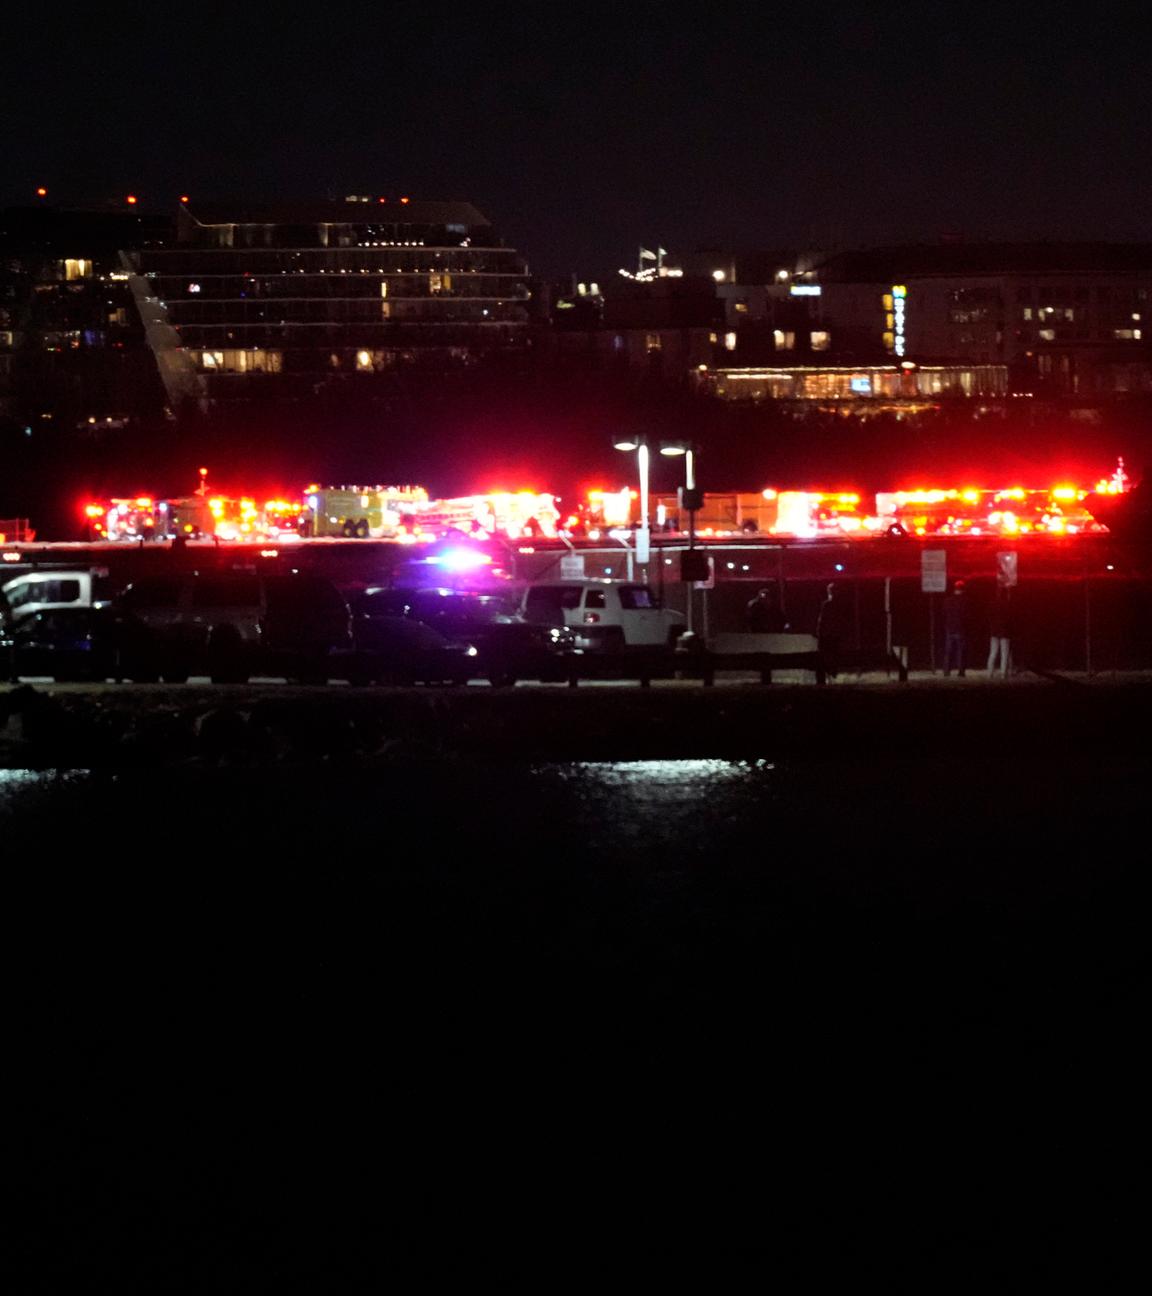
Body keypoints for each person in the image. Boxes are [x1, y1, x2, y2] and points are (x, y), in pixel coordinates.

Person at [816, 582, 850, 678]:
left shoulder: (827, 605)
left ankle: (828, 672)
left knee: (827, 654)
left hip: (828, 634)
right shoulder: (841, 605)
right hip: (835, 633)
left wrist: (819, 631)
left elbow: (822, 620)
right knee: (834, 654)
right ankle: (833, 671)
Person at [943, 579, 969, 676]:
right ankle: (961, 671)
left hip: (949, 628)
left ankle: (946, 671)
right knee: (961, 651)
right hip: (961, 629)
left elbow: (944, 613)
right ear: (963, 589)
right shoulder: (965, 601)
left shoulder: (947, 600)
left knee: (948, 651)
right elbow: (967, 616)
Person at [987, 587, 1014, 678]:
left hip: (994, 631)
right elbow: (1011, 619)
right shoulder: (1008, 605)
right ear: (1006, 594)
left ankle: (990, 673)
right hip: (1005, 632)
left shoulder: (992, 604)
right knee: (1004, 653)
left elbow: (989, 617)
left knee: (993, 652)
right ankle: (1003, 674)